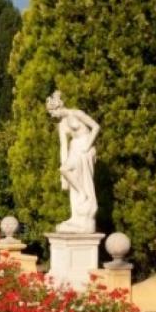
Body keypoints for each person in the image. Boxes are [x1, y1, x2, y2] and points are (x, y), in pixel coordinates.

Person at [46, 90, 99, 233]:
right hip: (74, 148)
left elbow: (96, 127)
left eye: (52, 112)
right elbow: (63, 147)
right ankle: (76, 216)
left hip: (85, 147)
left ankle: (84, 211)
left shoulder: (77, 114)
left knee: (84, 178)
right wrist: (63, 178)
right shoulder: (62, 126)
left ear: (58, 107)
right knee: (66, 171)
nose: (52, 115)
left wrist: (87, 146)